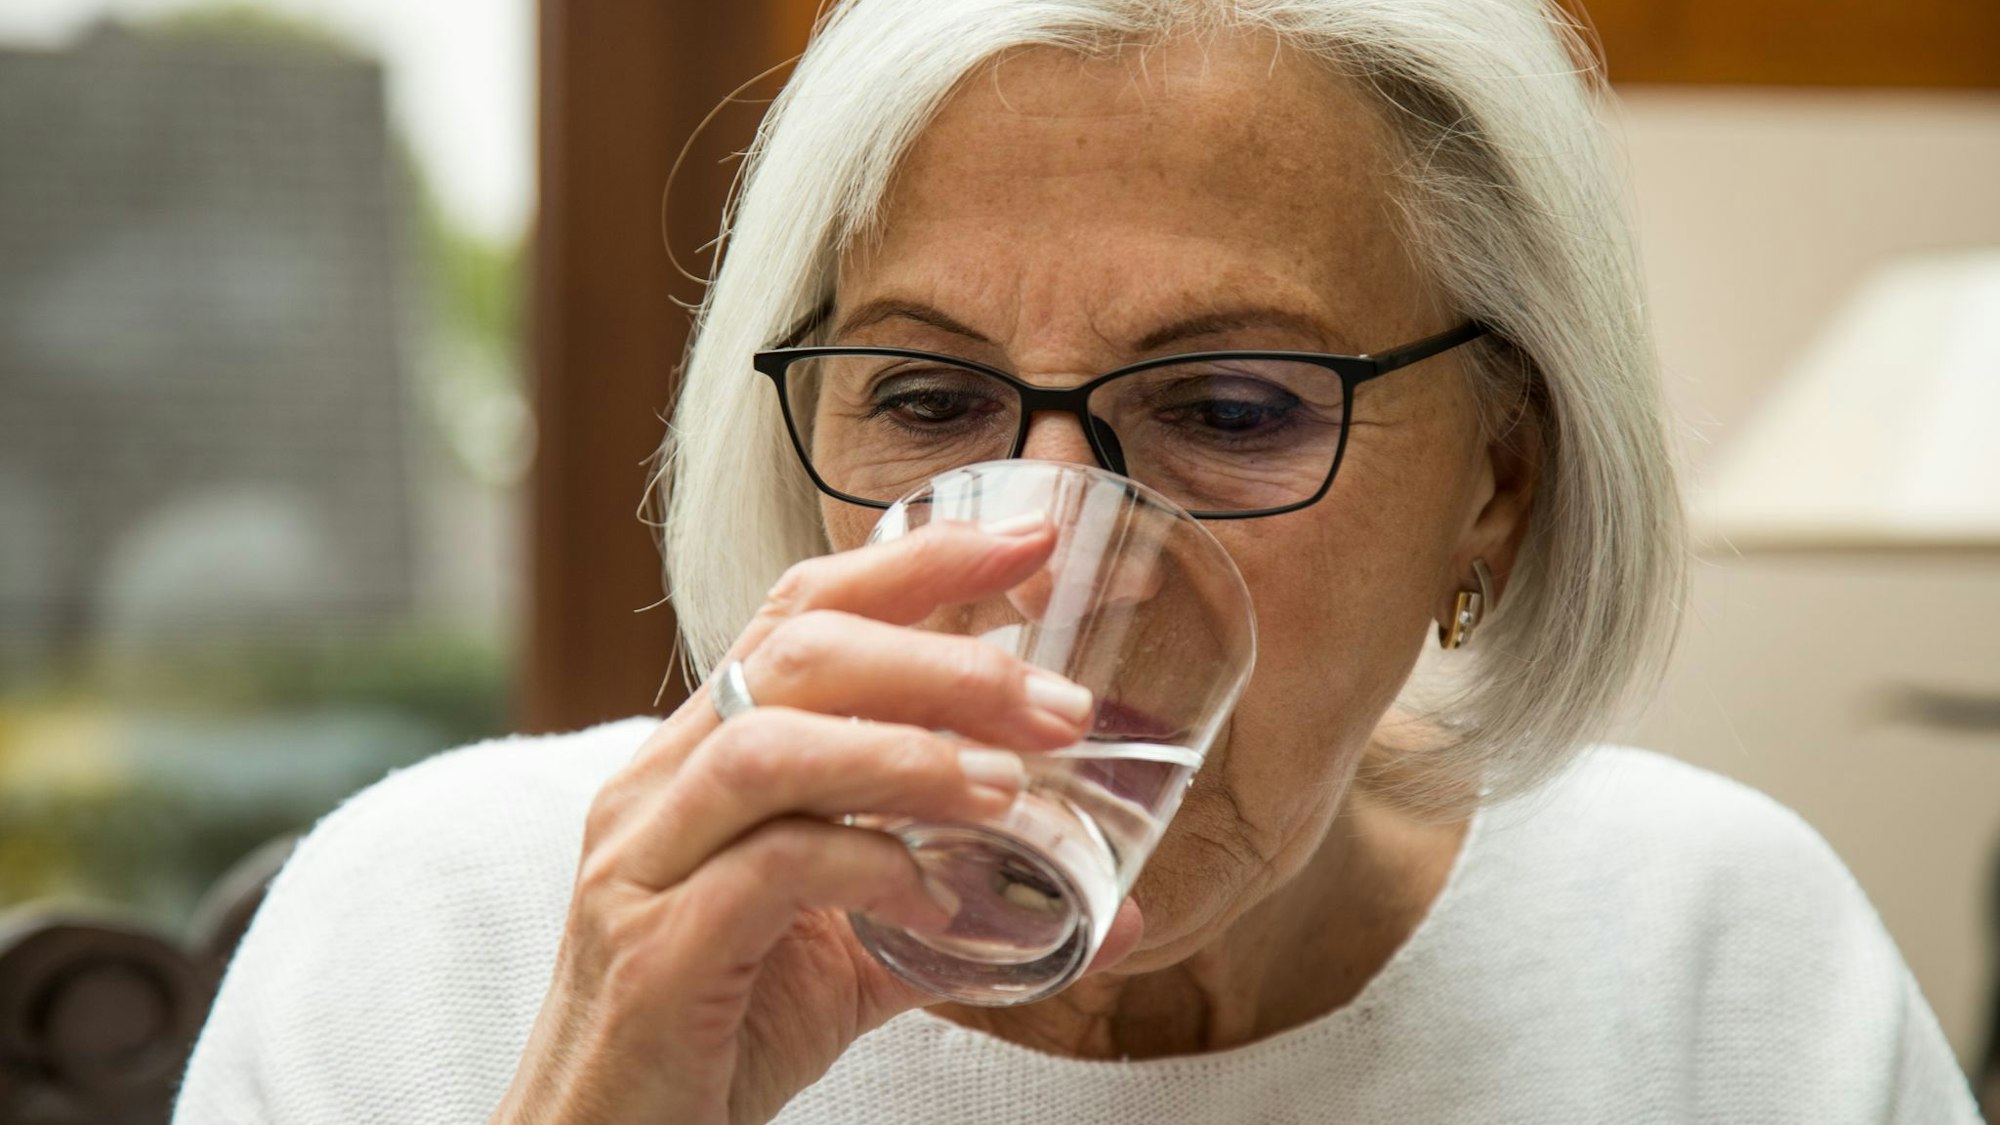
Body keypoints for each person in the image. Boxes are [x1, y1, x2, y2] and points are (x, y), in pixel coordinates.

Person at [173, 1, 1983, 1122]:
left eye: (1234, 403)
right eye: (931, 394)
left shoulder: (1719, 958)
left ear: (1496, 482)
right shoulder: (436, 926)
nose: (1046, 541)